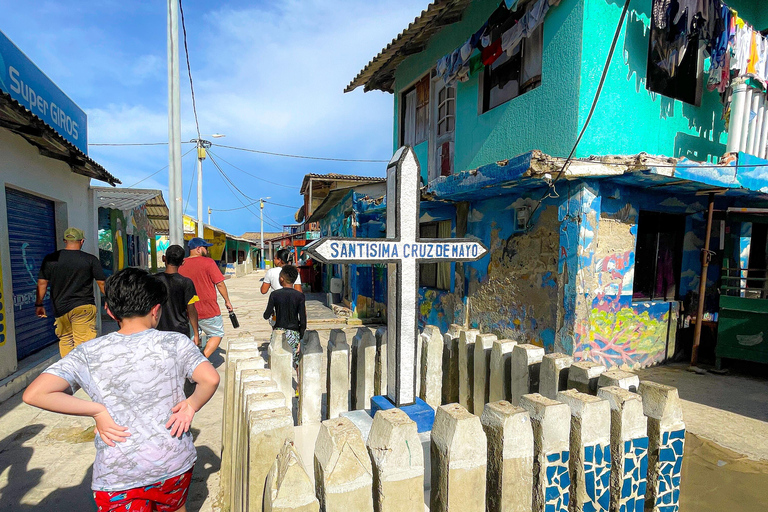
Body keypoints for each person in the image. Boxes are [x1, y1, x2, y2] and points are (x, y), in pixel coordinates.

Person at [23, 267, 220, 512]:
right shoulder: (175, 342)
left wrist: (97, 411)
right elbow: (210, 379)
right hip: (174, 464)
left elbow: (34, 394)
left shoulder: (88, 353)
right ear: (155, 310)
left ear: (109, 310)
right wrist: (191, 406)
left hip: (119, 477)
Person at [36, 227, 107, 357]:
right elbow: (101, 283)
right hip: (83, 307)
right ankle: (81, 374)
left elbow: (42, 283)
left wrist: (39, 305)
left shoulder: (50, 259)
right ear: (82, 241)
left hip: (60, 309)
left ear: (64, 240)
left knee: (66, 341)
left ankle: (69, 374)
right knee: (84, 345)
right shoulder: (90, 259)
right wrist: (109, 300)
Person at [179, 237, 233, 358]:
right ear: (198, 249)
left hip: (188, 310)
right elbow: (219, 283)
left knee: (193, 338)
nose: (207, 251)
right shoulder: (208, 262)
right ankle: (202, 358)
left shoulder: (181, 264)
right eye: (206, 248)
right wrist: (227, 301)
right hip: (208, 309)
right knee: (216, 333)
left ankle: (191, 363)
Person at [155, 245, 200, 348]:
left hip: (158, 331)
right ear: (182, 262)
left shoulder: (153, 281)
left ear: (164, 258)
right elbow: (191, 310)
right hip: (180, 332)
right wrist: (196, 333)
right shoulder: (186, 282)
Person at [263, 265, 306, 368]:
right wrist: (301, 338)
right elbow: (303, 320)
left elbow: (266, 315)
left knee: (278, 362)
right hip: (294, 334)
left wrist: (273, 312)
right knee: (296, 363)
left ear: (281, 279)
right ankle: (298, 383)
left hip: (279, 333)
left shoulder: (275, 295)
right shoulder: (300, 296)